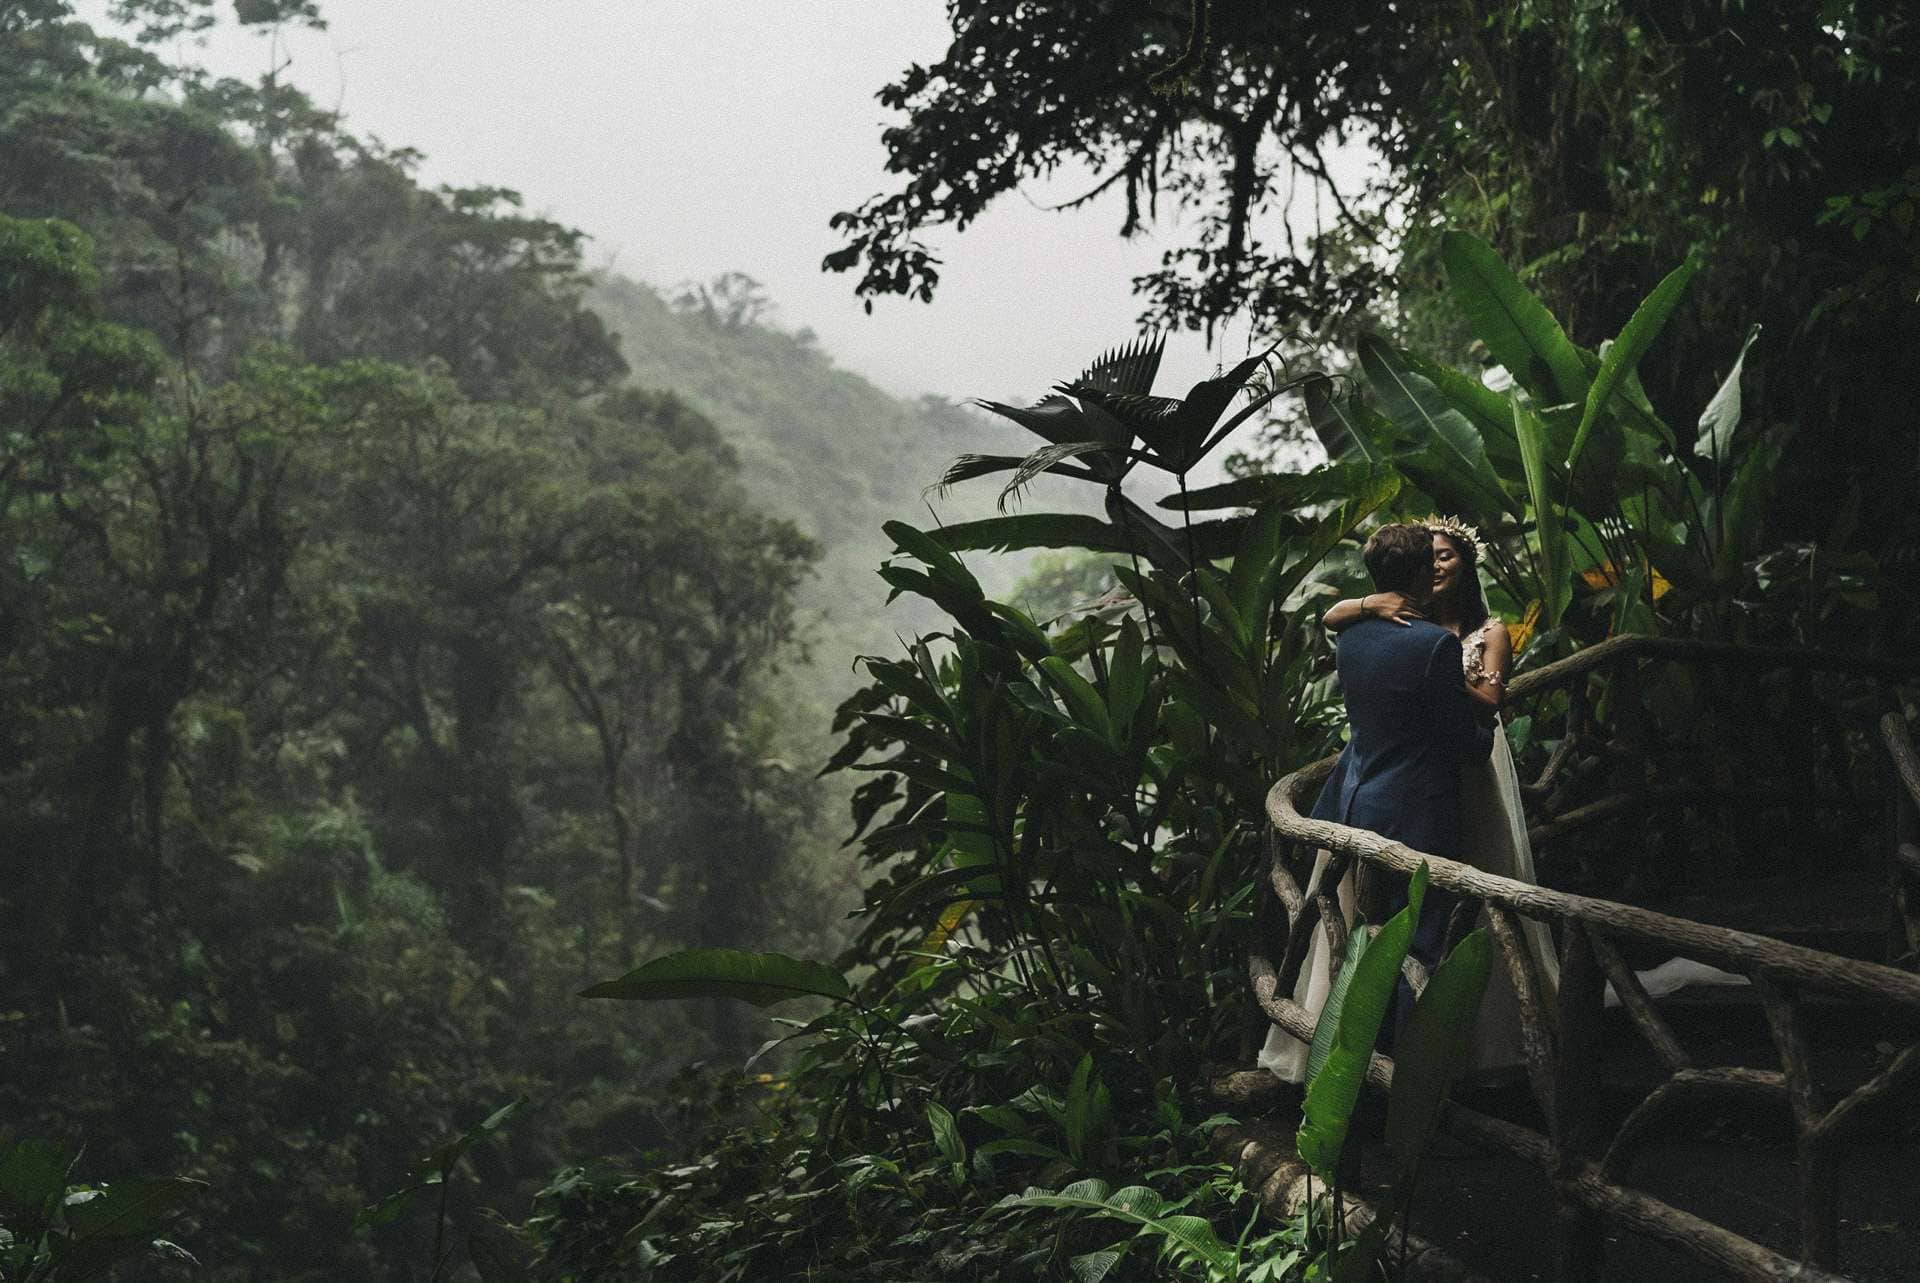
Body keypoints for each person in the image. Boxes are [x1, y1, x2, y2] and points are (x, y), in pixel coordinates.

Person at [1261, 522, 1492, 1077]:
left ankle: (1358, 1059)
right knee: (1424, 939)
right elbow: (1462, 739)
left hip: (1360, 798)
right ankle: (1415, 1074)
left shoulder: (1354, 636)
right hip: (1418, 807)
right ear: (1417, 573)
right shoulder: (1433, 644)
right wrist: (1485, 731)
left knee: (1363, 937)